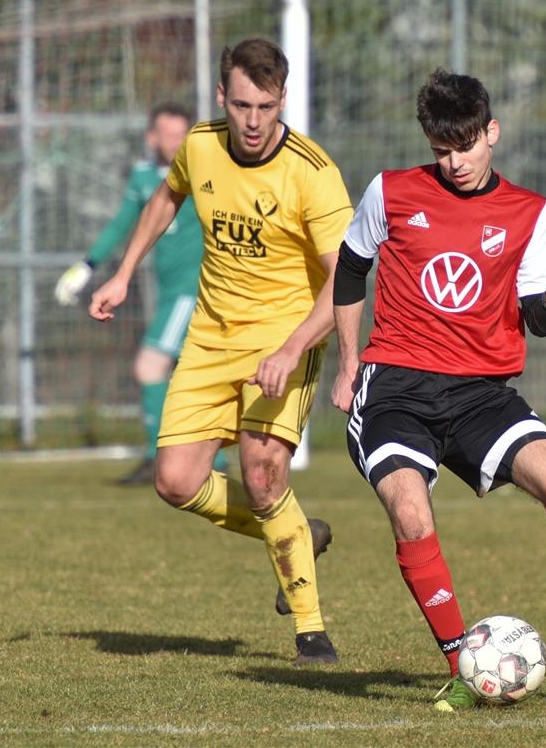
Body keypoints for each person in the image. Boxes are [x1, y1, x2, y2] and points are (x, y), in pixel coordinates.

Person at [331, 69, 546, 709]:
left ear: (492, 133)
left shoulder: (529, 211)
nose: (454, 162)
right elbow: (350, 269)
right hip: (395, 389)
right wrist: (347, 367)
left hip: (481, 393)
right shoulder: (390, 192)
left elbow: (542, 318)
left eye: (467, 145)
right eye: (441, 149)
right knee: (411, 510)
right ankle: (461, 663)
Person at [89, 38, 353, 664]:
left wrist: (298, 350)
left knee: (263, 478)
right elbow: (166, 199)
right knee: (176, 482)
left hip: (284, 340)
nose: (254, 121)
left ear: (283, 98)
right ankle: (295, 531)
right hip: (210, 338)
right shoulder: (200, 145)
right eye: (241, 105)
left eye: (265, 106)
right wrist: (126, 272)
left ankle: (311, 631)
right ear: (220, 98)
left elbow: (346, 279)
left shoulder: (312, 173)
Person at [55, 102, 225, 486]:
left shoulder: (203, 174)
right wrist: (88, 266)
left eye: (183, 134)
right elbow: (121, 224)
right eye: (168, 134)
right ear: (152, 137)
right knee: (193, 374)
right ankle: (215, 457)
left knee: (150, 366)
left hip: (192, 291)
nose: (177, 141)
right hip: (169, 293)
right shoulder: (144, 177)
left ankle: (157, 458)